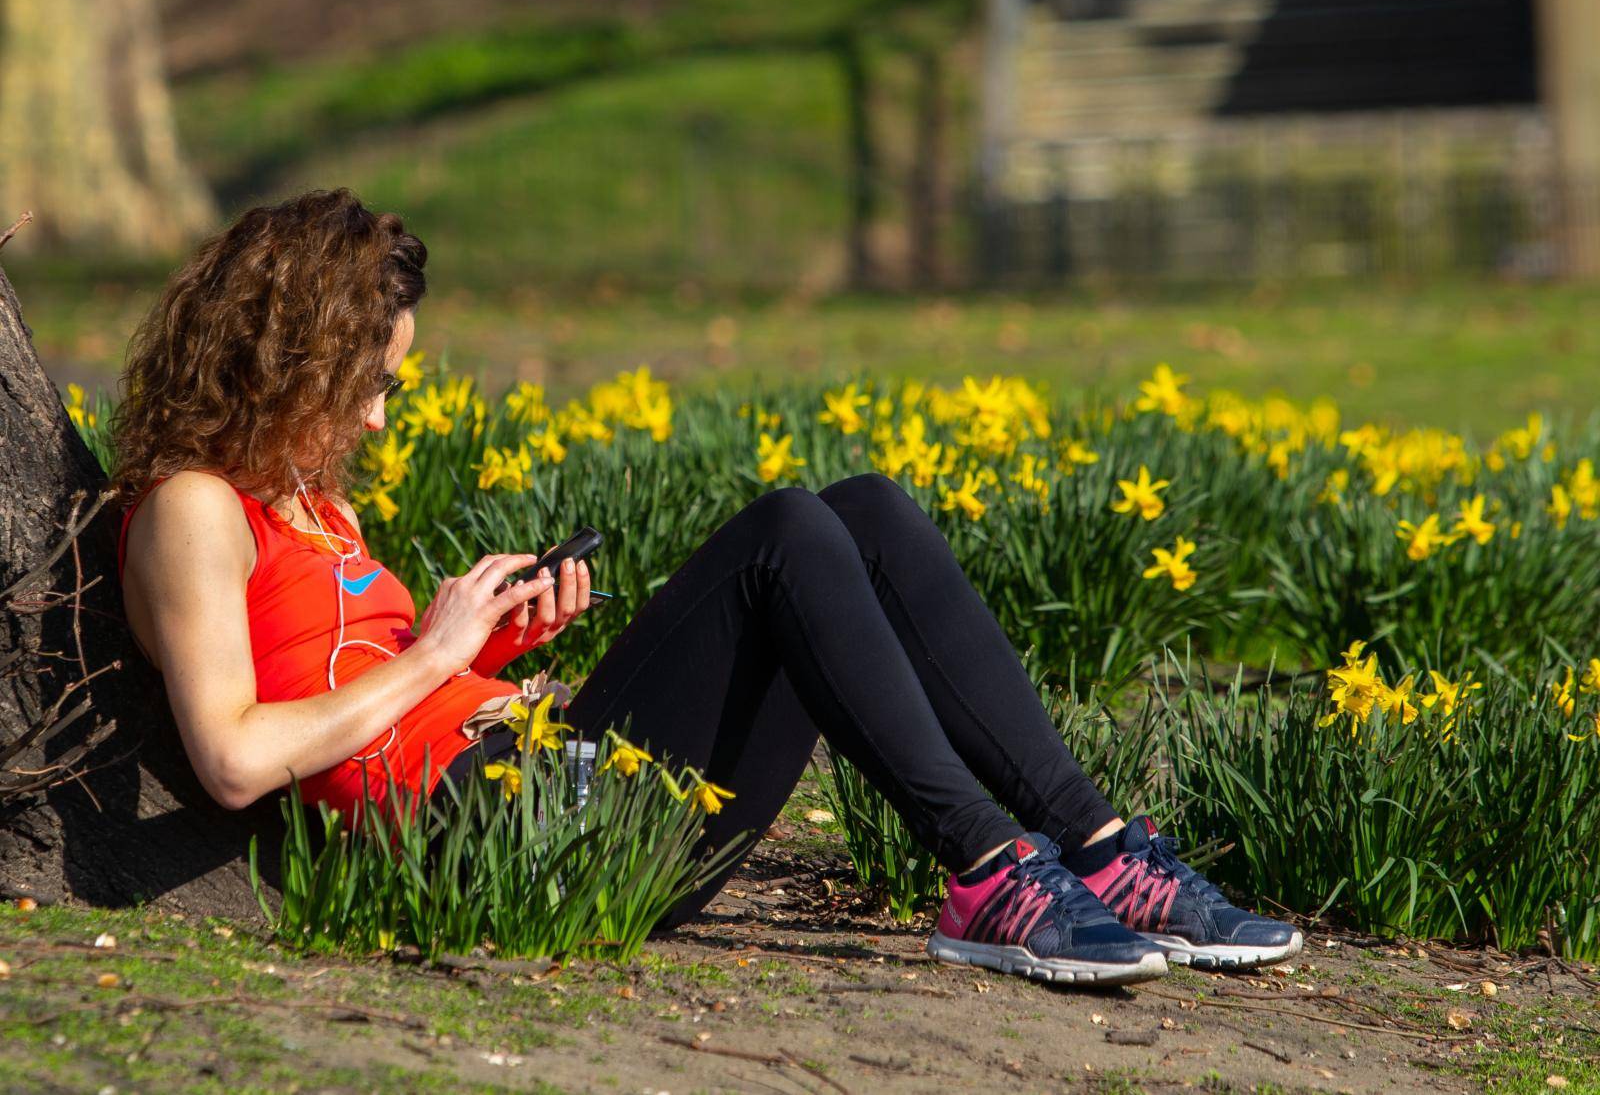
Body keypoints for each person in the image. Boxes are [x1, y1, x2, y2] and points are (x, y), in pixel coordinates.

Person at [113, 188, 1300, 989]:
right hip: (491, 840)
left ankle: (1097, 846)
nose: (377, 413)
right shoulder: (192, 509)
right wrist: (435, 655)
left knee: (865, 511)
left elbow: (369, 699)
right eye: (364, 380)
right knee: (784, 531)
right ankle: (986, 867)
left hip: (554, 784)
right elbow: (232, 754)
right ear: (282, 357)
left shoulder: (315, 501)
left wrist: (490, 652)